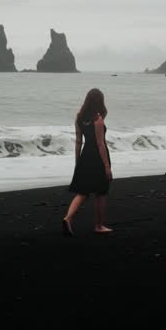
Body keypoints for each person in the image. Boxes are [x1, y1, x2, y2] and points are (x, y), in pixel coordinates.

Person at [62, 88, 113, 236]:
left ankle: (68, 218)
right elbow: (100, 144)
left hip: (85, 156)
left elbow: (78, 141)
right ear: (100, 101)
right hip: (97, 157)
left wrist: (78, 161)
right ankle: (98, 226)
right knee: (101, 191)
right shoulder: (97, 119)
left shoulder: (79, 117)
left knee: (83, 191)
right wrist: (107, 167)